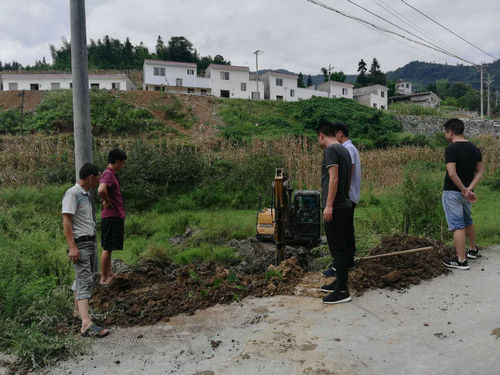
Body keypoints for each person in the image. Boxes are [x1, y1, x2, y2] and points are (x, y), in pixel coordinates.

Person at [62, 163, 109, 337]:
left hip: (89, 242)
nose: (98, 181)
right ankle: (86, 324)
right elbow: (66, 221)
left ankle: (78, 312)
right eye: (98, 177)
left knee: (84, 277)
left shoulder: (84, 194)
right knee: (84, 280)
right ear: (90, 177)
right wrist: (72, 247)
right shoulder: (72, 194)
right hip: (80, 244)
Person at [317, 121, 353, 304]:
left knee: (337, 248)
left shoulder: (330, 150)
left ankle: (342, 291)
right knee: (342, 247)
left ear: (322, 135)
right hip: (344, 203)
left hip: (336, 206)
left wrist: (329, 205)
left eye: (318, 138)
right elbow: (348, 178)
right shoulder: (345, 149)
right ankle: (338, 283)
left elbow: (334, 178)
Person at [441, 118, 484, 270]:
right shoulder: (474, 148)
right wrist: (469, 189)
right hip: (468, 193)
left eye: (445, 132)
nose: (445, 134)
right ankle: (472, 249)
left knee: (457, 225)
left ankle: (461, 260)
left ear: (450, 132)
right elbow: (479, 171)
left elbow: (451, 173)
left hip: (453, 192)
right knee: (467, 220)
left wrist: (463, 190)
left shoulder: (451, 149)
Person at [322, 122, 361, 276]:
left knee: (340, 235)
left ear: (339, 133)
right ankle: (347, 263)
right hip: (349, 196)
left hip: (346, 196)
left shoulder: (347, 149)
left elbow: (346, 174)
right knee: (346, 231)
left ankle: (340, 267)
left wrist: (340, 195)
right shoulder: (351, 148)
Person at [98, 149, 127, 285]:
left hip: (115, 215)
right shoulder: (108, 174)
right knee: (107, 247)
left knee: (110, 247)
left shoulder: (112, 174)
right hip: (110, 216)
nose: (122, 166)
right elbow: (101, 189)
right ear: (116, 161)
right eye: (121, 163)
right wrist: (107, 202)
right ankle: (104, 278)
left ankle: (109, 272)